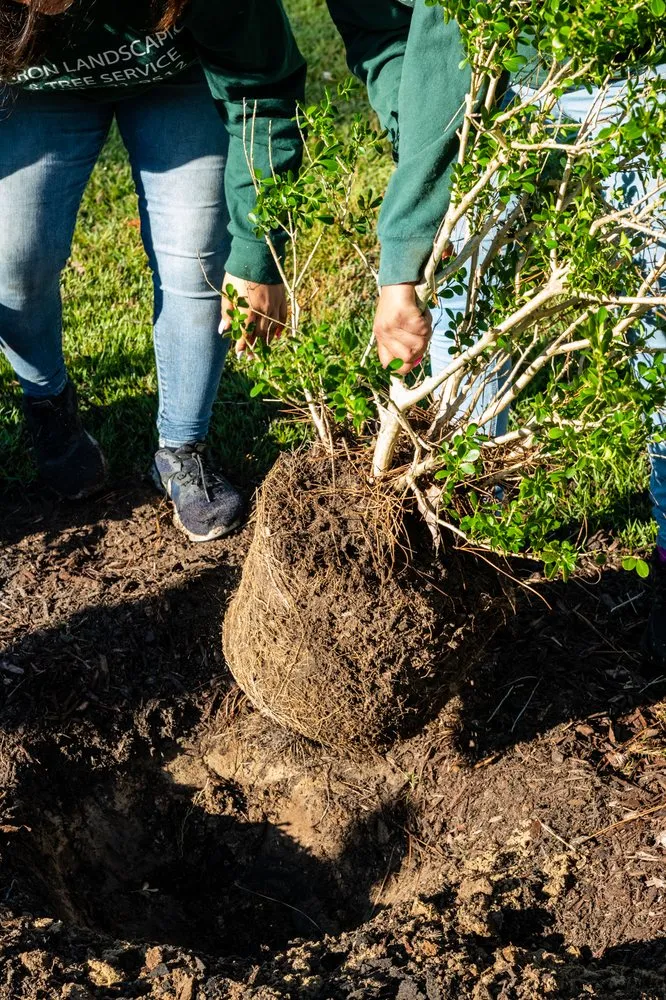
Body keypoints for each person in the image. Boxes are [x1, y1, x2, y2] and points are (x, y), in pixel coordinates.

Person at [323, 0, 666, 667]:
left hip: (646, 66)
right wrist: (409, 250)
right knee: (465, 325)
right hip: (504, 81)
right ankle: (484, 554)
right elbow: (433, 45)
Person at [0, 0, 305, 541]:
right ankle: (48, 408)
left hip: (176, 72)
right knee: (14, 260)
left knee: (198, 259)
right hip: (38, 89)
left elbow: (262, 88)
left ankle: (183, 449)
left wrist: (259, 250)